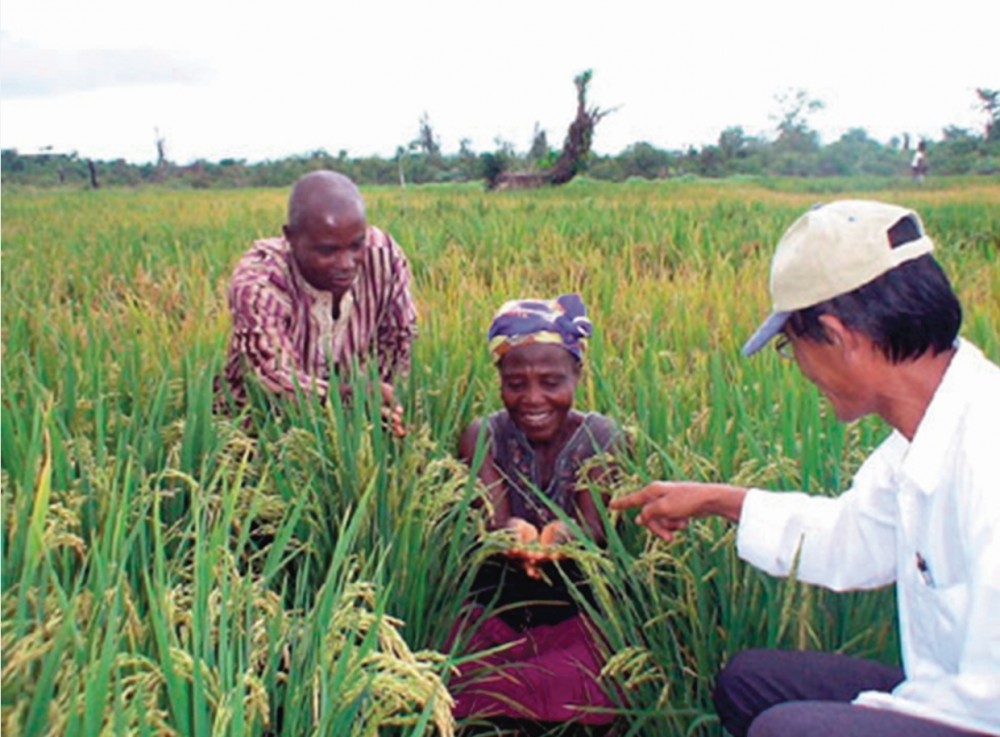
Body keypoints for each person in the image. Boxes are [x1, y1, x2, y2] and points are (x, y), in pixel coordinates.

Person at [612, 200, 999, 736]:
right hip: (949, 699)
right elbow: (854, 537)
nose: (799, 370)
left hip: (982, 717)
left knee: (789, 730)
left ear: (839, 337)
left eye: (792, 347)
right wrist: (718, 500)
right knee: (750, 682)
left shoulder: (988, 456)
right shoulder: (921, 438)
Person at [447, 293, 624, 732]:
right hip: (499, 602)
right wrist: (514, 533)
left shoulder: (602, 437)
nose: (533, 398)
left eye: (551, 381)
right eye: (516, 383)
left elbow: (594, 530)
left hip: (575, 604)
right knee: (452, 667)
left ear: (577, 375)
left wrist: (561, 536)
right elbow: (493, 521)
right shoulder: (482, 435)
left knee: (601, 675)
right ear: (500, 381)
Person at [218, 170, 416, 434]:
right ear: (291, 238)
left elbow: (400, 341)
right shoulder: (261, 280)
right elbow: (272, 375)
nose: (347, 264)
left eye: (356, 246)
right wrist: (353, 398)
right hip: (262, 423)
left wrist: (386, 408)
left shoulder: (384, 257)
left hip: (354, 422)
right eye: (327, 251)